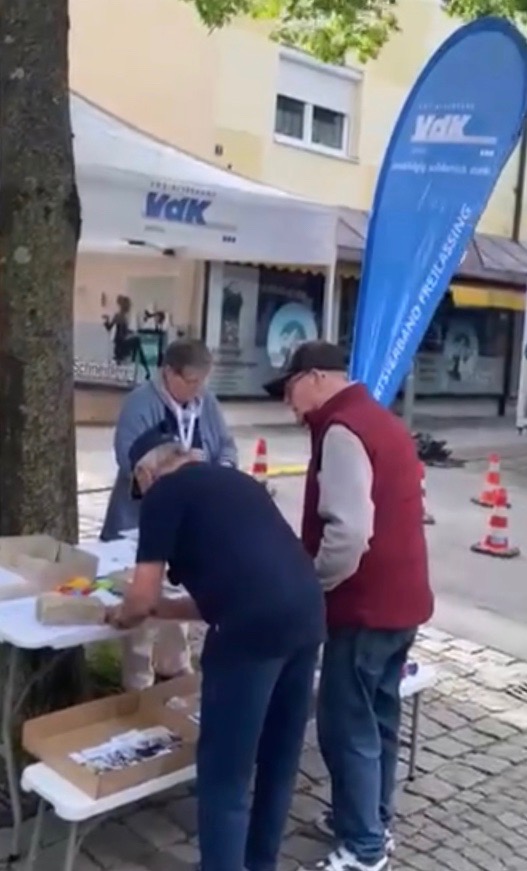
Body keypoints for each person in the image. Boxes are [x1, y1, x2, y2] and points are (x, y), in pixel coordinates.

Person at [106, 434, 325, 871]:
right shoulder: (237, 483)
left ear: (147, 473)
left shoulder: (163, 494)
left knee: (225, 775)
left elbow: (141, 595)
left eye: (140, 487)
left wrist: (123, 616)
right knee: (279, 759)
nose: (142, 496)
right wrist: (161, 611)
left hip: (249, 635)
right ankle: (260, 863)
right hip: (306, 616)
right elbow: (224, 590)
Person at [264, 341, 434, 871]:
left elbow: (350, 531)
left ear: (315, 377)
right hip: (402, 600)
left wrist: (311, 588)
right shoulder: (379, 419)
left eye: (289, 390)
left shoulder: (342, 430)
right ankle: (371, 822)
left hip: (362, 607)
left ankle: (363, 848)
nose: (288, 405)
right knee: (379, 718)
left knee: (347, 725)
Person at [101, 338, 238, 688]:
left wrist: (216, 470)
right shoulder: (140, 403)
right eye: (190, 381)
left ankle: (174, 667)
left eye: (203, 381)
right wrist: (171, 475)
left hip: (190, 521)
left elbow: (226, 446)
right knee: (141, 592)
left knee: (178, 592)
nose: (197, 389)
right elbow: (129, 460)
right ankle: (137, 679)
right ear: (168, 373)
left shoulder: (206, 403)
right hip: (139, 519)